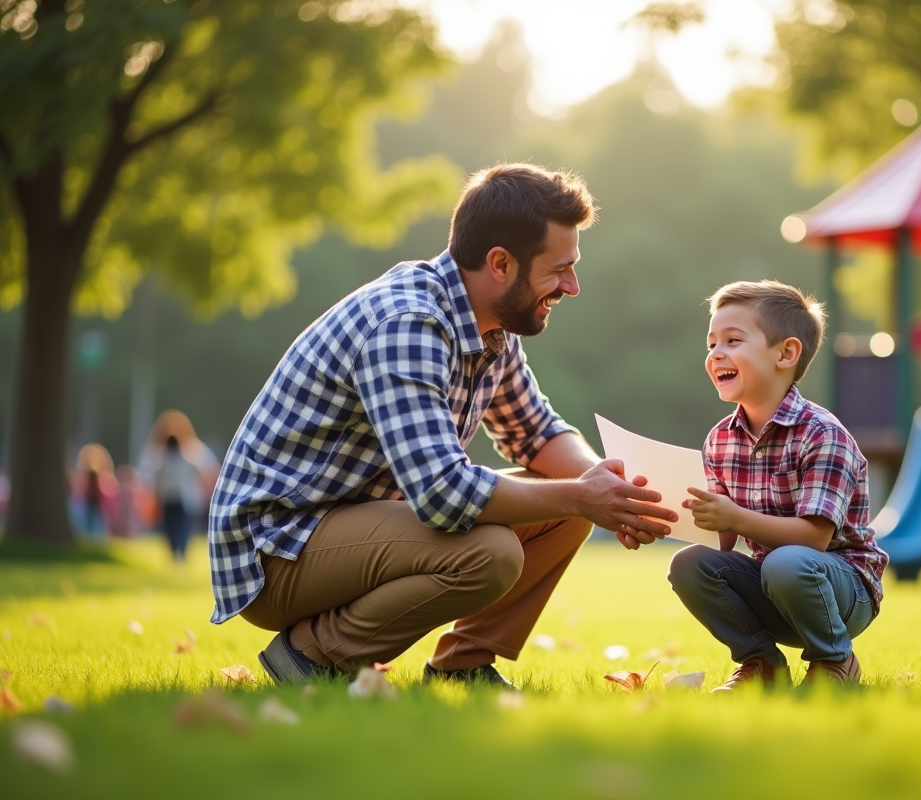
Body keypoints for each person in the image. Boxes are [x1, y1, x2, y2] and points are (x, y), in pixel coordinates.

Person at [209, 163, 677, 687]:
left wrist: (608, 490)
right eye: (558, 269)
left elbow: (536, 431)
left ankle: (464, 665)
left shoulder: (490, 324)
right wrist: (581, 496)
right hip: (280, 548)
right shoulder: (408, 322)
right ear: (500, 263)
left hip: (353, 528)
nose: (572, 286)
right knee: (493, 552)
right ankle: (312, 657)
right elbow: (442, 494)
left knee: (565, 507)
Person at [670, 280, 888, 691]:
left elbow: (814, 539)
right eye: (711, 343)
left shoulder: (823, 434)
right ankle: (761, 663)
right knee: (689, 563)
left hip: (841, 591)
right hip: (774, 585)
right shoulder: (720, 439)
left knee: (787, 561)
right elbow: (722, 539)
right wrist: (668, 513)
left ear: (785, 353)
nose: (717, 353)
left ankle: (835, 660)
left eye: (732, 340)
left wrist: (734, 515)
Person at [155, 436, 201, 562]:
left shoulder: (163, 461)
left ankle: (175, 550)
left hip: (168, 498)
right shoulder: (185, 459)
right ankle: (182, 550)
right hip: (182, 499)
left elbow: (157, 479)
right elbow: (197, 471)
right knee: (182, 527)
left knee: (170, 527)